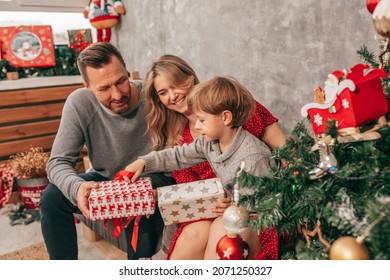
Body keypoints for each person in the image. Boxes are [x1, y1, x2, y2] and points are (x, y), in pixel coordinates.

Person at [141, 54, 286, 260]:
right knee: (196, 232)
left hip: (248, 206)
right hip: (213, 207)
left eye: (176, 85)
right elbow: (185, 175)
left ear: (189, 78)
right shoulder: (185, 137)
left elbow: (284, 151)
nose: (172, 96)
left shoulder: (234, 110)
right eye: (163, 92)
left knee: (222, 230)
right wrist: (144, 164)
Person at [39, 42, 175, 260]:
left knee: (141, 193)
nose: (118, 94)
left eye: (121, 81)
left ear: (126, 71)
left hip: (151, 176)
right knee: (51, 198)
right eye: (104, 88)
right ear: (88, 87)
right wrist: (78, 187)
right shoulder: (79, 103)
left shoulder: (152, 95)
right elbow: (57, 162)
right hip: (106, 178)